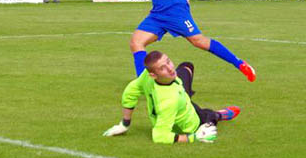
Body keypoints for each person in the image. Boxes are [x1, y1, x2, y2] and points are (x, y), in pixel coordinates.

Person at [102, 51, 241, 144]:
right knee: (208, 115)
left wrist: (125, 124)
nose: (170, 68)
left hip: (178, 91)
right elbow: (160, 136)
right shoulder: (169, 102)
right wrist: (193, 138)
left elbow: (130, 92)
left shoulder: (146, 75)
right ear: (153, 75)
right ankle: (219, 115)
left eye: (168, 61)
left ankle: (189, 98)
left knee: (187, 66)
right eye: (163, 68)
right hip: (191, 121)